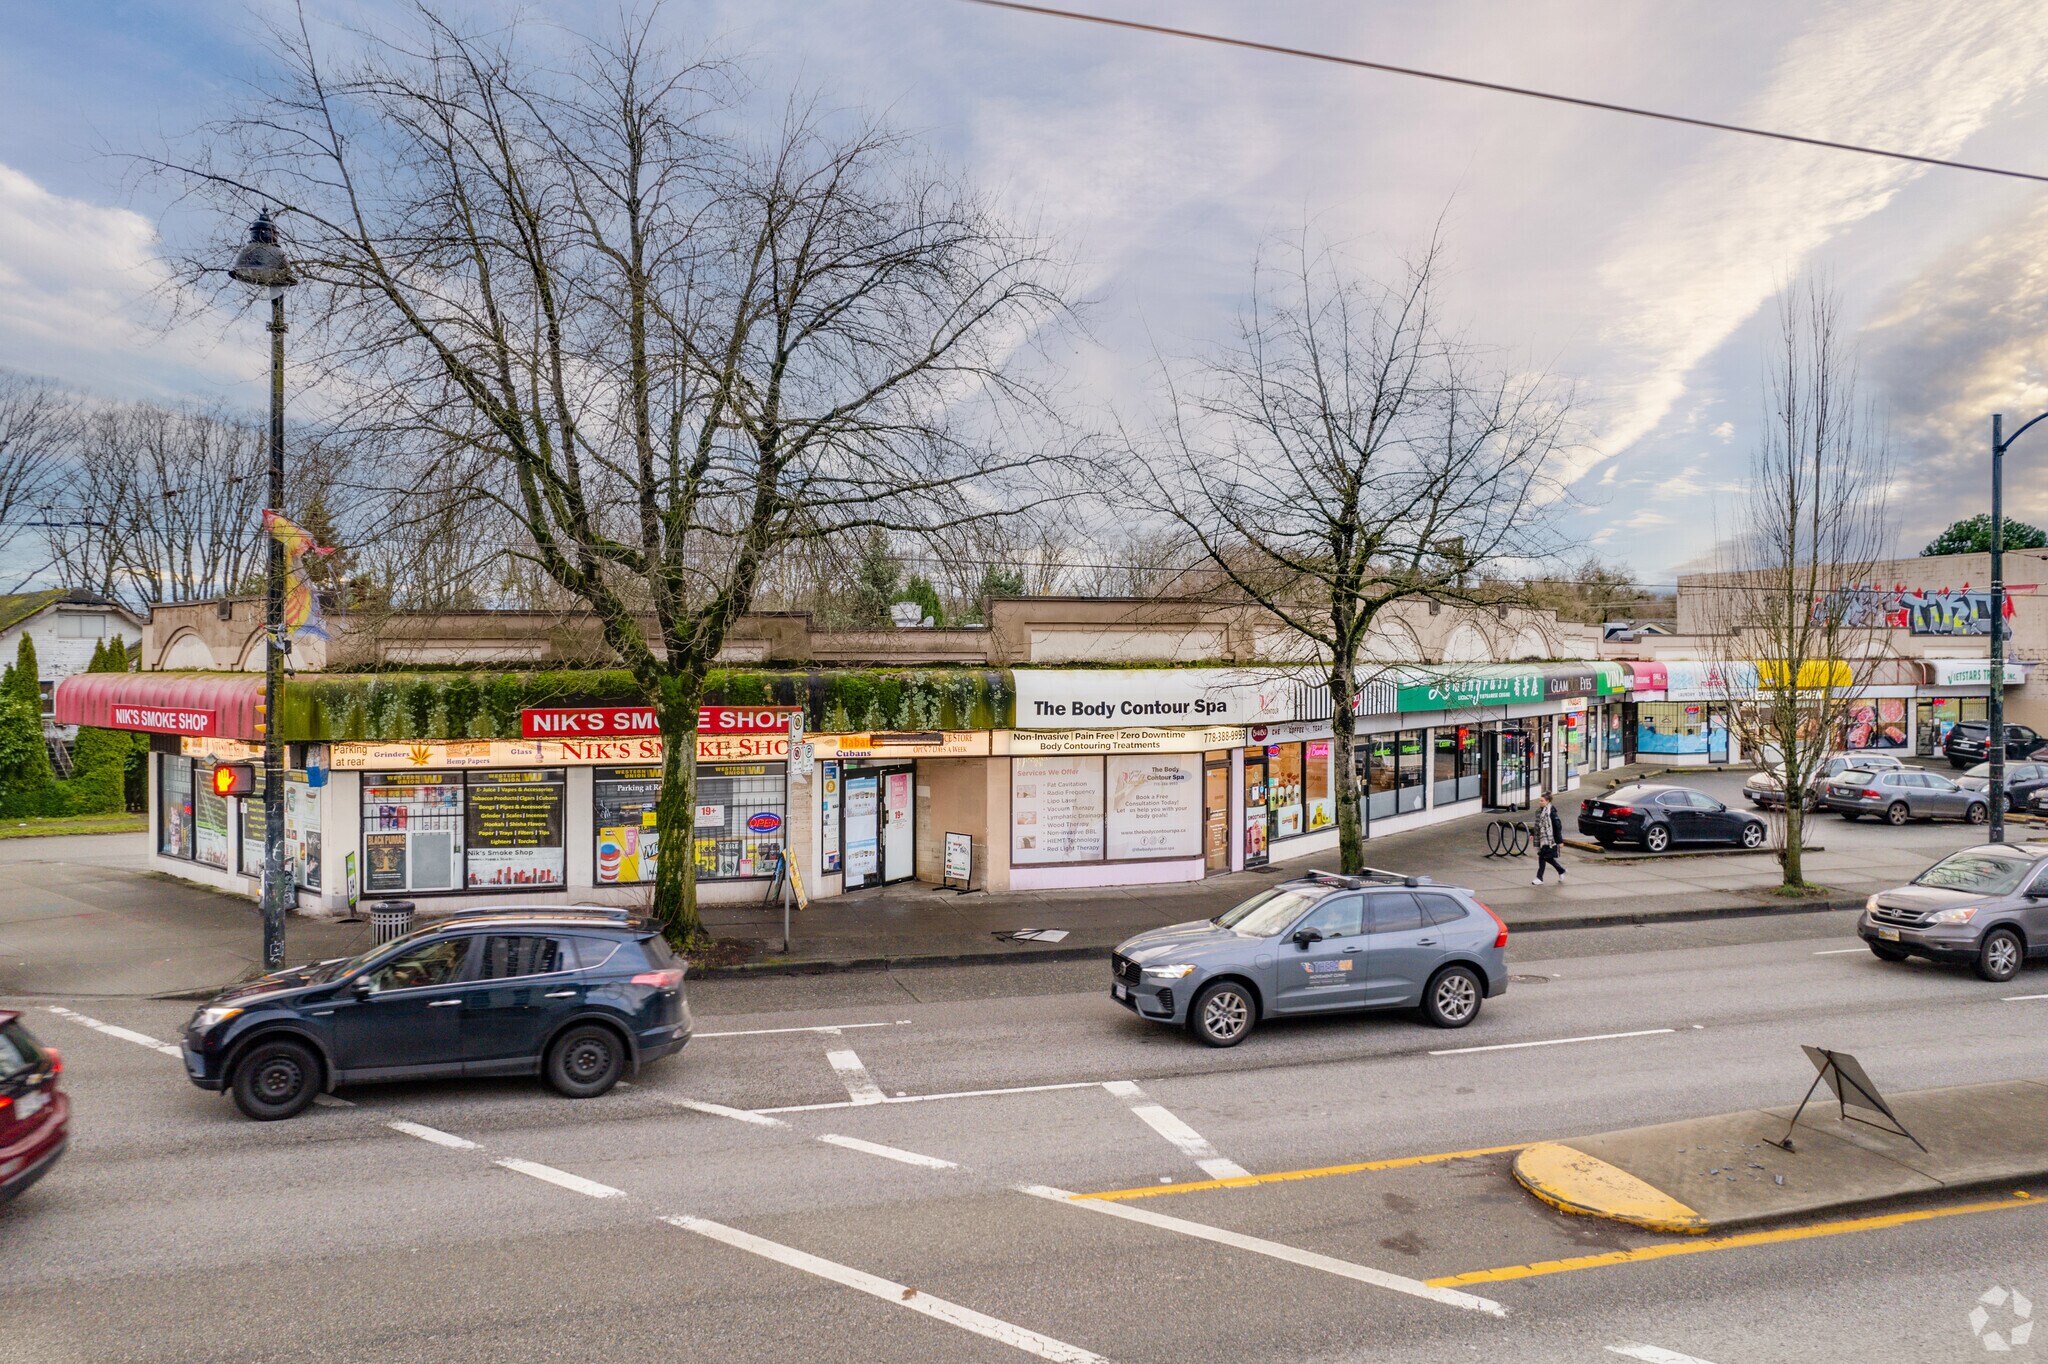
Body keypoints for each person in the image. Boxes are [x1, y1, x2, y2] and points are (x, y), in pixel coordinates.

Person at [1533, 793, 1566, 885]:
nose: (1540, 802)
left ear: (1547, 801)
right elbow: (1537, 825)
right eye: (1539, 800)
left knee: (1542, 856)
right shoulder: (1539, 811)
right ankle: (1561, 870)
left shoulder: (1551, 812)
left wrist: (1560, 841)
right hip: (1541, 838)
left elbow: (1557, 827)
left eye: (1542, 801)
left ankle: (1539, 878)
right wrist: (1533, 834)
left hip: (1549, 839)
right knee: (1547, 857)